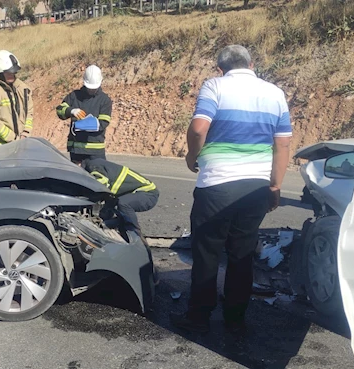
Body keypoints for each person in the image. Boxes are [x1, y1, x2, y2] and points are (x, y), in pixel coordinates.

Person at [170, 45, 292, 334]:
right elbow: (283, 144)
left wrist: (191, 156)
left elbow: (199, 129)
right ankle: (235, 317)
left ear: (221, 69)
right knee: (242, 254)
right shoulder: (275, 93)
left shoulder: (215, 86)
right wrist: (275, 185)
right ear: (251, 64)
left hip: (216, 186)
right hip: (255, 187)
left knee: (207, 252)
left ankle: (199, 316)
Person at [76, 157, 159, 234]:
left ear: (78, 163)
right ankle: (121, 232)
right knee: (108, 211)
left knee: (123, 203)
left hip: (148, 193)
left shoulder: (93, 165)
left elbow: (101, 183)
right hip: (136, 193)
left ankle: (135, 233)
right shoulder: (92, 164)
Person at [56, 65, 113, 162]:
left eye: (93, 88)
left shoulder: (104, 100)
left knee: (98, 176)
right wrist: (71, 111)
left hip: (95, 151)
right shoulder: (74, 96)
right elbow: (60, 110)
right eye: (89, 87)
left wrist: (80, 125)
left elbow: (103, 123)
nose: (91, 90)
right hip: (76, 150)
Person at [0, 50, 34, 149]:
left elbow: (29, 113)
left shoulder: (23, 89)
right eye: (8, 72)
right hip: (0, 148)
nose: (11, 74)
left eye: (13, 71)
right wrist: (14, 139)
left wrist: (25, 134)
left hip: (21, 144)